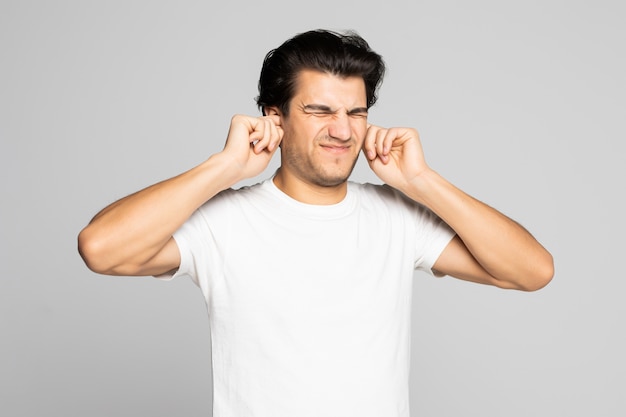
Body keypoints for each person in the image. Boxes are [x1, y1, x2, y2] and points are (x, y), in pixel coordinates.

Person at [78, 29, 553, 417]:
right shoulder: (224, 221)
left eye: (356, 112)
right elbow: (101, 248)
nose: (343, 130)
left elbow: (532, 271)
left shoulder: (397, 216)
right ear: (274, 118)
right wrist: (223, 168)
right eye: (320, 111)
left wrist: (422, 181)